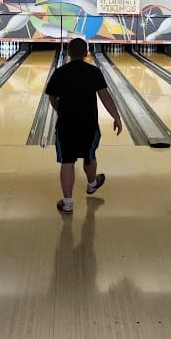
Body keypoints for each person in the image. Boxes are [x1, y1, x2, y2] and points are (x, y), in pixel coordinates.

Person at [45, 38, 122, 214]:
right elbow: (105, 96)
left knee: (67, 160)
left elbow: (52, 97)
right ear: (87, 53)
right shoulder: (94, 72)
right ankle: (92, 184)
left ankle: (68, 203)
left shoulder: (60, 72)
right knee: (89, 155)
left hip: (66, 124)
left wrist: (60, 110)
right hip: (89, 123)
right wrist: (116, 117)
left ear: (69, 53)